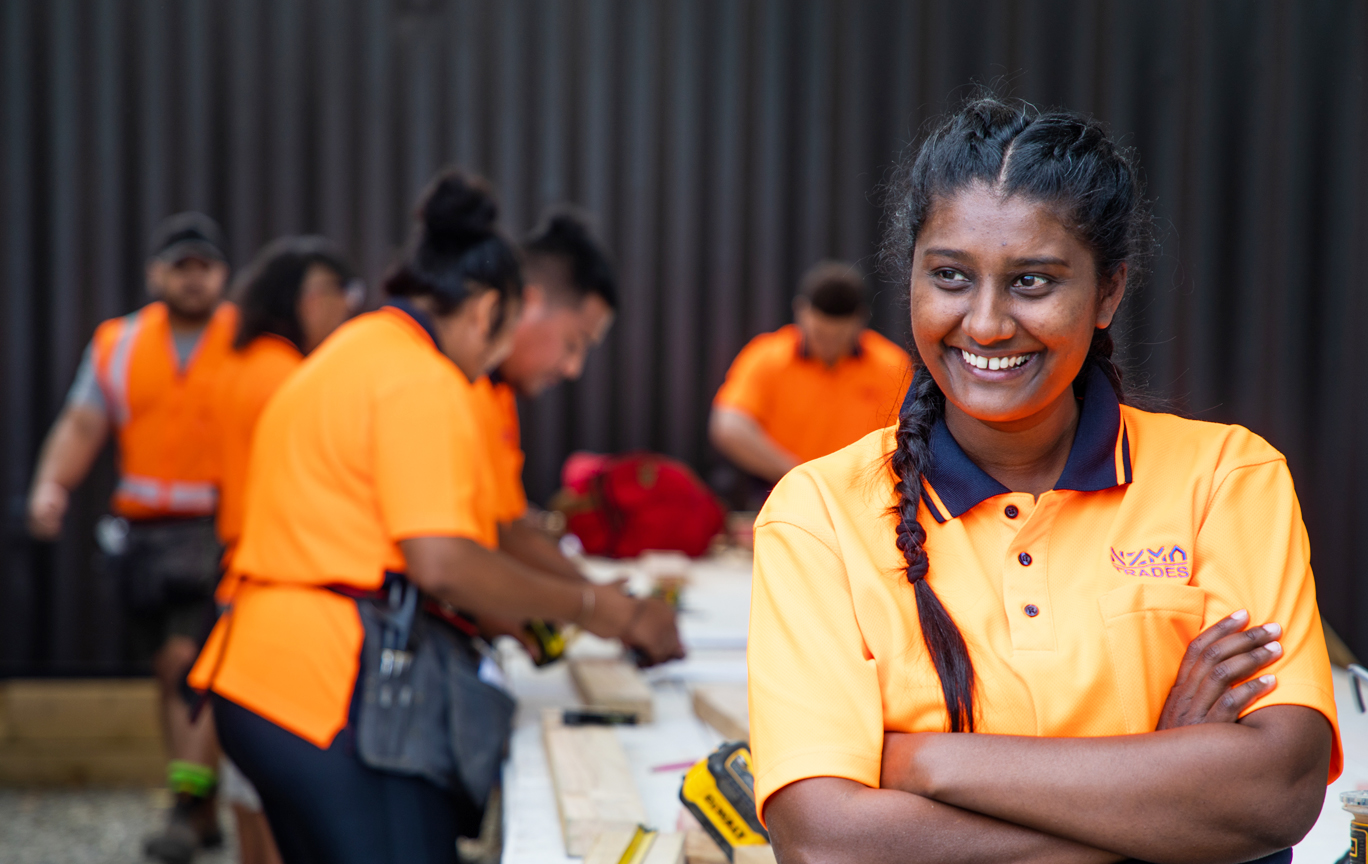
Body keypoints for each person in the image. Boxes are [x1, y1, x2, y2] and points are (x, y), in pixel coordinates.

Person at [747, 97, 1339, 864]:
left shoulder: (1228, 478)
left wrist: (922, 763)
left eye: (1032, 281)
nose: (987, 323)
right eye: (951, 277)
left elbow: (1275, 792)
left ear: (1108, 293)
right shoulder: (819, 514)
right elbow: (830, 843)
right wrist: (1165, 801)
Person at [187, 171, 684, 864]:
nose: (487, 370)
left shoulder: (359, 351)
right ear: (487, 313)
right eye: (497, 340)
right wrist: (593, 606)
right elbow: (444, 561)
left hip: (259, 676)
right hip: (325, 690)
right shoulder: (427, 379)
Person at [25, 212, 235, 863]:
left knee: (189, 667)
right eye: (181, 267)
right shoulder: (119, 343)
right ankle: (197, 803)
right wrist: (51, 487)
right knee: (168, 673)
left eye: (204, 268)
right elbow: (83, 423)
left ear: (222, 276)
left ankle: (186, 804)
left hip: (220, 529)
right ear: (156, 273)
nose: (192, 280)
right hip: (144, 537)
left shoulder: (249, 339)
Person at [213, 235, 365, 864]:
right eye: (337, 295)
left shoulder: (241, 363)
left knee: (246, 792)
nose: (345, 311)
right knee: (276, 803)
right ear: (301, 299)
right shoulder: (287, 375)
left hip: (237, 582)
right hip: (275, 588)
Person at [471, 210, 620, 588]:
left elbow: (507, 526)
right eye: (574, 343)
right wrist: (593, 605)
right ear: (530, 302)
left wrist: (597, 598)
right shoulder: (444, 383)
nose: (573, 368)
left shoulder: (496, 395)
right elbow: (452, 560)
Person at [710, 261, 911, 488]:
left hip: (862, 492)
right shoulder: (767, 357)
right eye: (820, 333)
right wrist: (795, 472)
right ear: (800, 311)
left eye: (839, 336)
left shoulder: (891, 364)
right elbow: (729, 426)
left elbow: (908, 433)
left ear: (860, 320)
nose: (828, 344)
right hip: (784, 488)